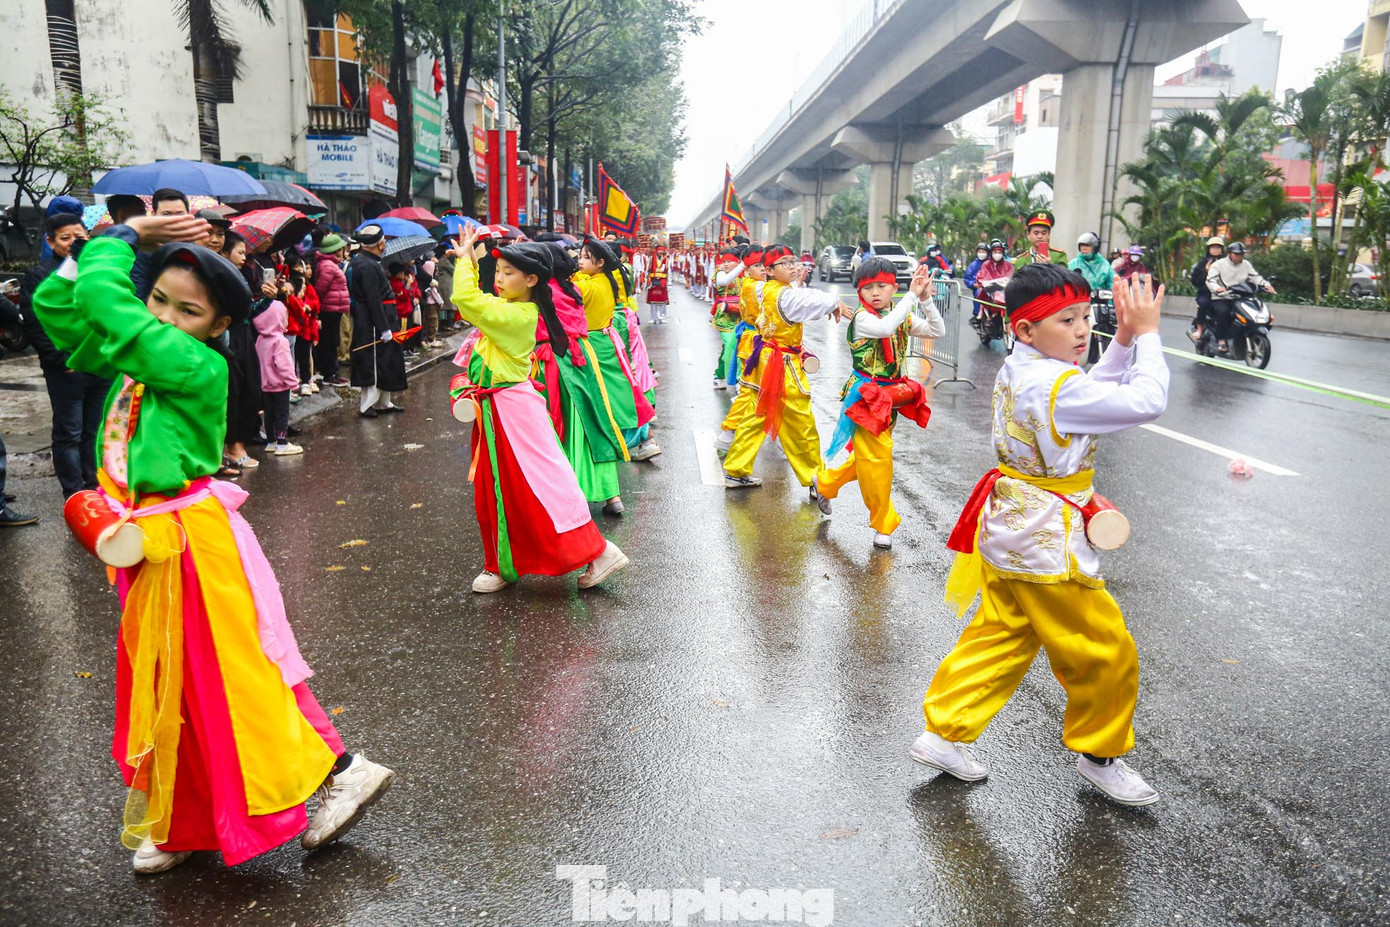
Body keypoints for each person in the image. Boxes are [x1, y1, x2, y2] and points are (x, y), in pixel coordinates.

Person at [31, 214, 394, 873]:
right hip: (148, 544)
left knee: (239, 672)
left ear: (218, 326)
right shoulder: (144, 352)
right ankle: (184, 818)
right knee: (173, 683)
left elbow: (102, 304)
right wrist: (100, 251)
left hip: (193, 544)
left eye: (188, 310)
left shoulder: (193, 364)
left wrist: (124, 236)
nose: (167, 317)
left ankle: (342, 768)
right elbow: (57, 305)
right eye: (159, 301)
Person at [911, 267, 1169, 807]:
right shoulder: (1056, 382)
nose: (1082, 330)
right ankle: (1100, 755)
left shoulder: (1024, 367)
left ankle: (942, 732)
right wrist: (1146, 335)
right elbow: (1145, 401)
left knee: (1002, 634)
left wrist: (1119, 341)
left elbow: (1087, 392)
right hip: (1048, 539)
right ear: (1026, 330)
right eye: (1067, 320)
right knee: (1105, 648)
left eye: (1086, 317)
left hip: (1012, 525)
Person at [447, 229, 630, 594]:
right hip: (499, 409)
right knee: (499, 491)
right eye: (497, 270)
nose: (499, 278)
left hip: (513, 411)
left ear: (532, 279)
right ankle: (502, 564)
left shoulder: (519, 315)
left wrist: (465, 263)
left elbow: (466, 299)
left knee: (541, 487)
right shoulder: (515, 309)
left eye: (508, 272)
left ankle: (598, 550)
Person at [813, 258, 943, 549]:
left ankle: (826, 483)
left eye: (881, 286)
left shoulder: (899, 315)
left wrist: (926, 300)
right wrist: (910, 296)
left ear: (892, 288)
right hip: (866, 397)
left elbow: (937, 332)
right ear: (859, 292)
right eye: (867, 287)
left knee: (868, 457)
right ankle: (883, 523)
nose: (874, 292)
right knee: (878, 457)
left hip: (891, 395)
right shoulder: (864, 318)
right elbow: (885, 328)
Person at [722, 245, 852, 491]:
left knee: (755, 416)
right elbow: (805, 301)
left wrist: (802, 286)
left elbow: (798, 296)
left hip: (762, 358)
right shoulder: (784, 295)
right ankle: (817, 478)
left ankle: (736, 469)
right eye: (785, 263)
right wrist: (834, 301)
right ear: (769, 270)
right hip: (781, 365)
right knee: (800, 421)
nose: (792, 266)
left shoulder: (762, 287)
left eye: (793, 261)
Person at [21, 213, 108, 498]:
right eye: (65, 237)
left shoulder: (97, 269)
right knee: (69, 433)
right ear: (51, 241)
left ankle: (93, 487)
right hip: (67, 369)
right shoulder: (41, 274)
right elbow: (35, 323)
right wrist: (61, 361)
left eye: (78, 236)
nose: (73, 242)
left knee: (94, 433)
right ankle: (74, 493)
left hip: (100, 366)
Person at [573, 238, 660, 460]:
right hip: (607, 337)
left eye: (584, 257)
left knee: (614, 395)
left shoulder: (590, 285)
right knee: (624, 388)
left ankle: (640, 439)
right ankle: (643, 438)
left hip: (597, 344)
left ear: (601, 262)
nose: (579, 260)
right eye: (579, 256)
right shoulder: (603, 279)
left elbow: (567, 289)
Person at [714, 245, 769, 454]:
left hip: (759, 340)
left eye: (765, 265)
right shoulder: (753, 285)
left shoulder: (759, 283)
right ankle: (730, 437)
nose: (764, 269)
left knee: (755, 391)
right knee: (750, 390)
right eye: (758, 265)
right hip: (752, 340)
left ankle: (731, 437)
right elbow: (722, 282)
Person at [348, 225, 407, 417]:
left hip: (383, 315)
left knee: (387, 361)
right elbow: (373, 298)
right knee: (374, 362)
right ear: (380, 243)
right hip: (373, 321)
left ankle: (383, 402)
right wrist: (383, 328)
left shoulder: (370, 261)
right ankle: (367, 405)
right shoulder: (366, 265)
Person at [220, 230, 263, 472]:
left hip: (245, 335)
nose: (244, 258)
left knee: (251, 389)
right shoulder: (217, 275)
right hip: (226, 336)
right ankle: (232, 446)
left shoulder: (243, 275)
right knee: (233, 391)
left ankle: (238, 443)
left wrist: (267, 298)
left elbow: (249, 311)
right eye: (240, 252)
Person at [254, 290, 304, 456]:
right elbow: (284, 365)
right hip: (280, 385)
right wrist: (293, 383)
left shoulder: (260, 339)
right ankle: (282, 442)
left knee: (269, 413)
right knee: (282, 413)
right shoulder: (280, 341)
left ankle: (271, 440)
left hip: (265, 384)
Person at [1205, 242, 1275, 354]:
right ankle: (1221, 340)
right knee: (1225, 312)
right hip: (1223, 297)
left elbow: (1255, 277)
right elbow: (1210, 280)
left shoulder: (1246, 264)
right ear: (1230, 254)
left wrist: (1266, 285)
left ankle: (1244, 334)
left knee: (1257, 309)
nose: (1240, 256)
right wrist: (1217, 288)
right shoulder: (1218, 264)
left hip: (1243, 297)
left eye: (1241, 254)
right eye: (1237, 254)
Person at [312, 234, 351, 386]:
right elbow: (321, 289)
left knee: (333, 340)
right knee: (330, 341)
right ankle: (330, 373)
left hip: (335, 308)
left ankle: (334, 371)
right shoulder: (328, 266)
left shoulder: (331, 264)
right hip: (329, 309)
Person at [710, 244, 744, 390]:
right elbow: (724, 282)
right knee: (731, 343)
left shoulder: (747, 275)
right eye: (724, 261)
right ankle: (738, 380)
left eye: (729, 261)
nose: (725, 264)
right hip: (725, 317)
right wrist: (742, 266)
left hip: (742, 316)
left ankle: (719, 375)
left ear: (736, 261)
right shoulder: (720, 274)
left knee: (733, 347)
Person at [1189, 236, 1227, 343]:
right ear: (1209, 249)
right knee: (1203, 303)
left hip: (1224, 294)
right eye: (1213, 247)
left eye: (1218, 247)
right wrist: (1206, 271)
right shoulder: (1202, 264)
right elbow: (1195, 281)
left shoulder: (1226, 263)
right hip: (1206, 293)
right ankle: (1199, 329)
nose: (1215, 249)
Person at [973, 239, 1013, 318]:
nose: (997, 254)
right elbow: (982, 276)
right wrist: (986, 283)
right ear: (991, 253)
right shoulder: (986, 264)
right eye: (995, 252)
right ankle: (986, 315)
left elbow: (1011, 276)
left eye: (999, 253)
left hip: (1004, 291)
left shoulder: (1008, 265)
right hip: (989, 291)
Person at [647, 245, 670, 323]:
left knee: (662, 300)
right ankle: (653, 317)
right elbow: (648, 270)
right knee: (653, 300)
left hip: (662, 282)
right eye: (659, 250)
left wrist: (669, 283)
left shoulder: (666, 259)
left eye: (662, 250)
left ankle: (662, 317)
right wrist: (647, 282)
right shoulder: (651, 259)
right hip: (653, 281)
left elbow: (668, 271)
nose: (661, 252)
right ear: (656, 251)